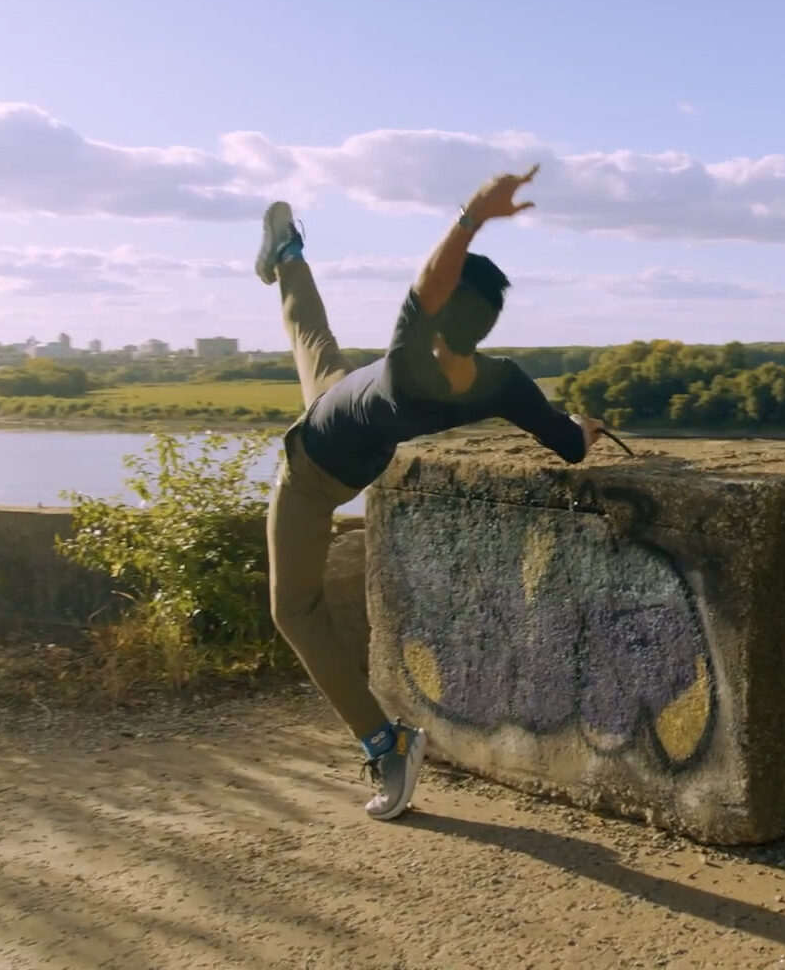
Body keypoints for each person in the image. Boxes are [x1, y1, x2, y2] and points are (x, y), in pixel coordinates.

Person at [255, 164, 608, 821]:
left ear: (438, 314)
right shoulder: (501, 381)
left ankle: (386, 744)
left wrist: (474, 214)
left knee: (293, 613)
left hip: (312, 475)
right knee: (310, 337)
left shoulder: (411, 364)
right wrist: (586, 430)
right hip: (344, 410)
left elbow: (431, 281)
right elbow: (565, 443)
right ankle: (287, 251)